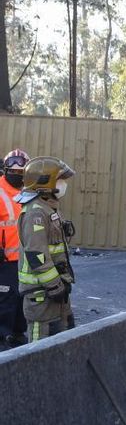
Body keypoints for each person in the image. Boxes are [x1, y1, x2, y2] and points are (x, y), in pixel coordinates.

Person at [15, 157, 76, 342]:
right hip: (42, 293)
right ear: (45, 183)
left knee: (63, 338)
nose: (64, 184)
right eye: (60, 180)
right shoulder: (36, 212)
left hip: (56, 291)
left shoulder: (48, 208)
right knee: (39, 346)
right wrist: (54, 286)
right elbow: (37, 254)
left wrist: (61, 284)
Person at [0, 149, 29, 348]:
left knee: (23, 298)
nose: (16, 176)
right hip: (4, 261)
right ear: (6, 170)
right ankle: (2, 338)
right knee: (5, 300)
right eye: (13, 172)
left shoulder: (29, 191)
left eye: (21, 173)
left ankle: (18, 334)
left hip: (26, 259)